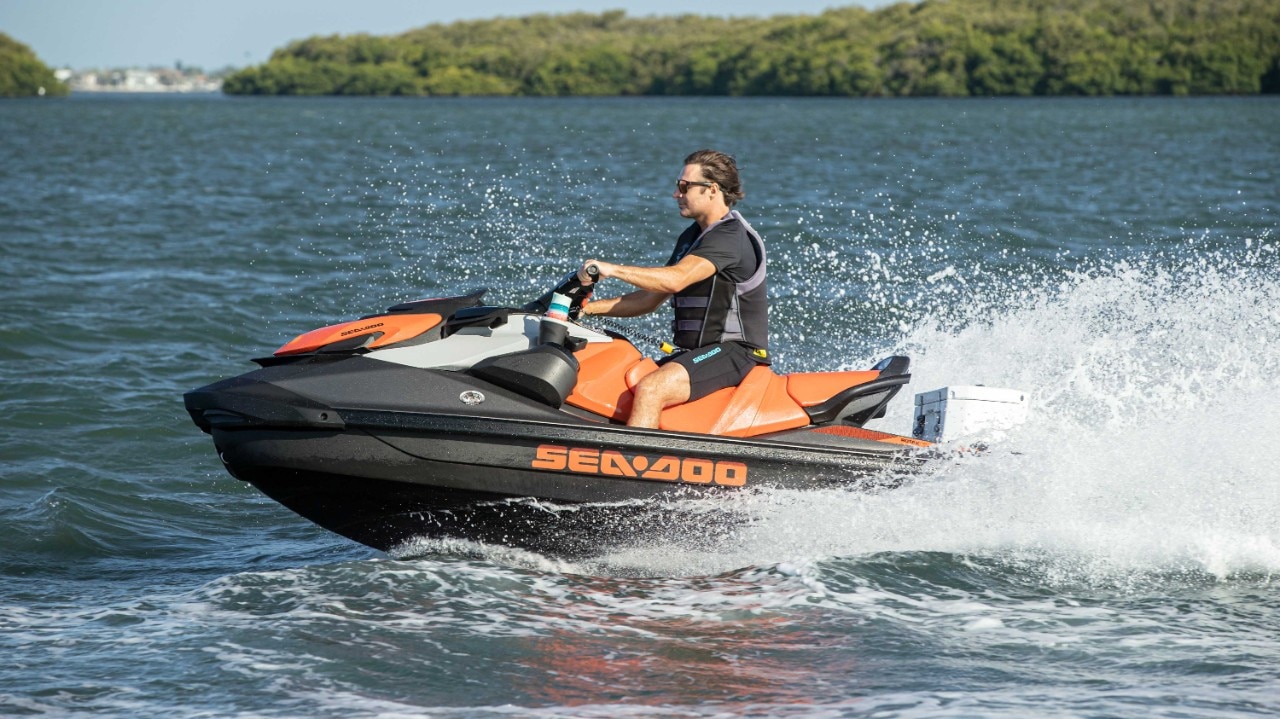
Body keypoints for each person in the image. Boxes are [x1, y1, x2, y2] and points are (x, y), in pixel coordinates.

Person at [579, 149, 769, 429]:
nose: (676, 194)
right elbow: (650, 298)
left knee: (652, 388)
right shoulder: (692, 237)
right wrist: (586, 310)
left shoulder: (730, 237)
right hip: (699, 354)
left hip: (736, 352)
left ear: (712, 190)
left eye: (684, 187)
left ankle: (631, 466)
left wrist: (611, 269)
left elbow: (675, 280)